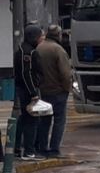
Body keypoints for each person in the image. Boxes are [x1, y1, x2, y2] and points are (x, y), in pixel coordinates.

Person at [36, 25, 73, 158]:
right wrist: (67, 88)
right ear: (58, 35)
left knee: (44, 121)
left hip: (43, 91)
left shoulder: (39, 48)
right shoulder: (58, 50)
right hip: (57, 91)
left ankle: (42, 147)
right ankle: (54, 149)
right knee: (59, 121)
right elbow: (65, 74)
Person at [13, 25, 45, 161]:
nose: (42, 38)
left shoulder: (21, 49)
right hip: (28, 91)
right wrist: (33, 93)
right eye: (40, 36)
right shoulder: (29, 53)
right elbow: (27, 74)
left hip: (23, 89)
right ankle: (29, 151)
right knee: (32, 120)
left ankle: (16, 148)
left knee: (23, 119)